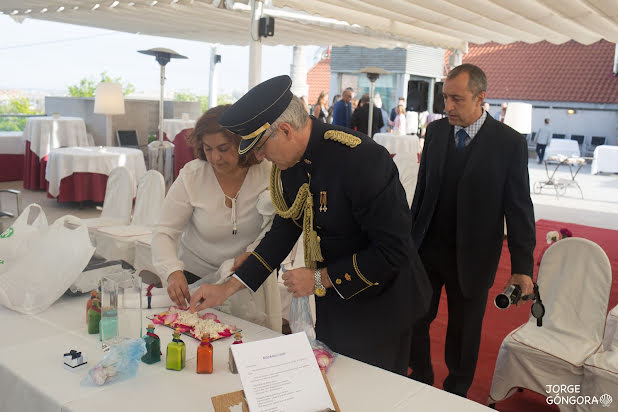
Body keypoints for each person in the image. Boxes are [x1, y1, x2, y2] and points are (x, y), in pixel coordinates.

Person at [189, 75, 431, 375]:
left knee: (374, 396)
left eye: (261, 147)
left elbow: (393, 251)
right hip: (337, 303)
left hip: (383, 303)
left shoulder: (361, 160)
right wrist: (226, 289)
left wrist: (319, 279)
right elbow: (284, 231)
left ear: (286, 131)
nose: (260, 157)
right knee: (337, 388)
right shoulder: (291, 165)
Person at [409, 64, 535, 397]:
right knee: (415, 318)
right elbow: (422, 194)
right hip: (427, 250)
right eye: (445, 97)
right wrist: (407, 244)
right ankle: (419, 378)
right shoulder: (435, 133)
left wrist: (523, 268)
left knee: (464, 332)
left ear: (480, 98)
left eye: (456, 99)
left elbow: (519, 208)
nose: (447, 106)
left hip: (474, 256)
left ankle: (456, 393)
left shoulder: (509, 143)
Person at [151, 105, 281, 330]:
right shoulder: (193, 175)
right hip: (196, 278)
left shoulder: (267, 173)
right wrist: (172, 271)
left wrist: (255, 253)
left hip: (247, 279)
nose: (215, 157)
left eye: (223, 148)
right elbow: (165, 231)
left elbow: (277, 229)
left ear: (244, 143)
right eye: (208, 149)